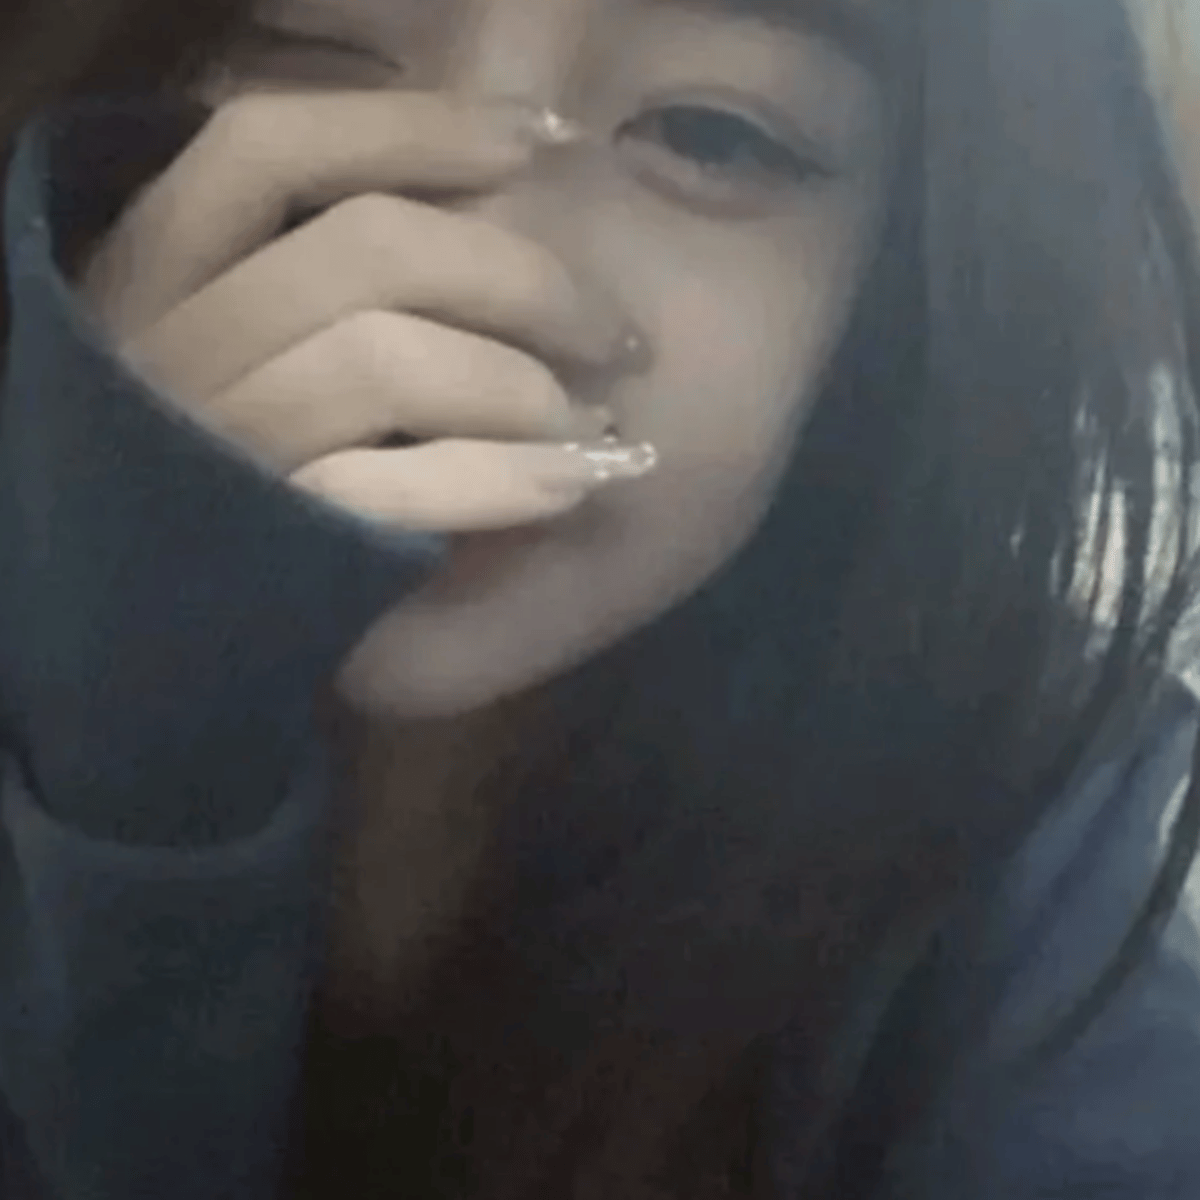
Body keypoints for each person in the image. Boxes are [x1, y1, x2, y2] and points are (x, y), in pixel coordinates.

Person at [0, 0, 1198, 1196]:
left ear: (907, 284)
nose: (453, 291)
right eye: (312, 52)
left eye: (713, 135)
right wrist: (133, 747)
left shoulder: (1029, 843)